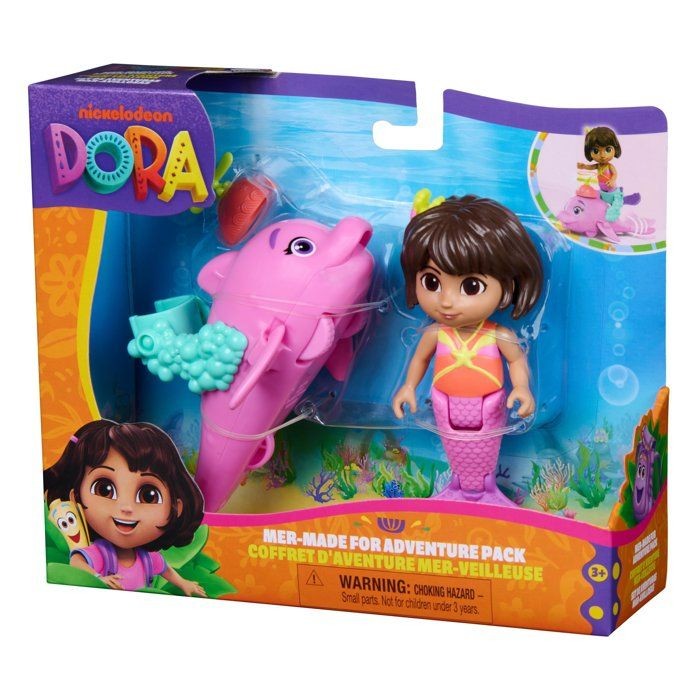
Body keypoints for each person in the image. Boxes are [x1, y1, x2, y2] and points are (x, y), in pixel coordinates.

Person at [392, 195, 543, 503]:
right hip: (443, 404)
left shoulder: (498, 335)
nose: (446, 301)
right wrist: (408, 387)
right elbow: (420, 359)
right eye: (431, 282)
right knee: (457, 453)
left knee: (483, 454)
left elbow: (516, 361)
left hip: (489, 406)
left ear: (507, 286)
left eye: (470, 286)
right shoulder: (435, 333)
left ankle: (485, 489)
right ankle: (458, 487)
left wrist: (522, 389)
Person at [44, 420, 206, 594]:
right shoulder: (102, 553)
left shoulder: (146, 557)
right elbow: (77, 561)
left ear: (177, 508)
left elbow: (165, 569)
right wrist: (98, 578)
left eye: (148, 495)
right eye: (104, 489)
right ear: (76, 495)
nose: (126, 507)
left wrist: (183, 583)